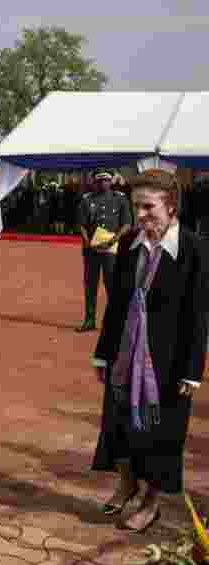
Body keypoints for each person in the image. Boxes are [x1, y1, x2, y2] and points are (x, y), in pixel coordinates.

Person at [92, 169, 207, 534]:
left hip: (167, 361)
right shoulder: (130, 243)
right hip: (125, 354)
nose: (139, 215)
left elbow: (198, 315)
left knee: (160, 433)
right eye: (135, 206)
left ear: (171, 207)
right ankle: (126, 484)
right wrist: (102, 352)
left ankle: (150, 503)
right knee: (119, 423)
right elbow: (116, 303)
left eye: (148, 207)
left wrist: (193, 370)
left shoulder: (194, 249)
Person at [76, 171, 132, 332]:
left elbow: (127, 223)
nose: (103, 183)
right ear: (95, 182)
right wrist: (87, 242)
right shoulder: (87, 200)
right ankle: (89, 320)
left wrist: (115, 239)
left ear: (111, 181)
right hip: (91, 250)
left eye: (106, 180)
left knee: (112, 286)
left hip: (111, 250)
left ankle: (115, 322)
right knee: (90, 286)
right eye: (100, 180)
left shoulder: (120, 199)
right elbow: (81, 224)